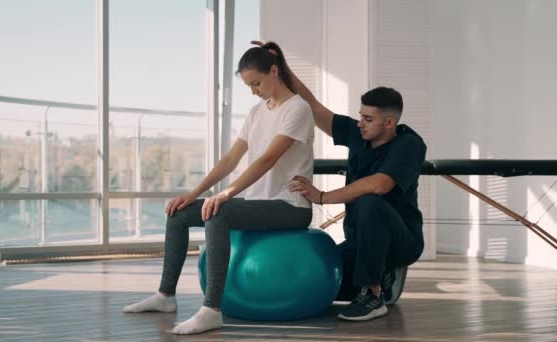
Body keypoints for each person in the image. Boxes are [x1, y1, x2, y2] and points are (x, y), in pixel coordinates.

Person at [123, 42, 315, 335]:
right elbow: (230, 159)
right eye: (249, 85)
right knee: (179, 214)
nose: (253, 90)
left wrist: (227, 193)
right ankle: (165, 296)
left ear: (274, 71)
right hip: (259, 204)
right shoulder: (256, 112)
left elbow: (267, 159)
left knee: (219, 212)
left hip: (290, 207)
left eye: (257, 83)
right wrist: (194, 192)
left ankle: (211, 309)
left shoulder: (298, 108)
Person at [253, 41, 427, 321]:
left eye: (368, 118)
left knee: (370, 200)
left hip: (402, 240)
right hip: (361, 241)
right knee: (320, 279)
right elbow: (313, 107)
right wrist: (281, 68)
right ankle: (382, 280)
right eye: (360, 115)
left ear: (389, 123)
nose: (360, 122)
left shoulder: (409, 144)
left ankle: (373, 295)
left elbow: (379, 184)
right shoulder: (360, 133)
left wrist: (322, 197)